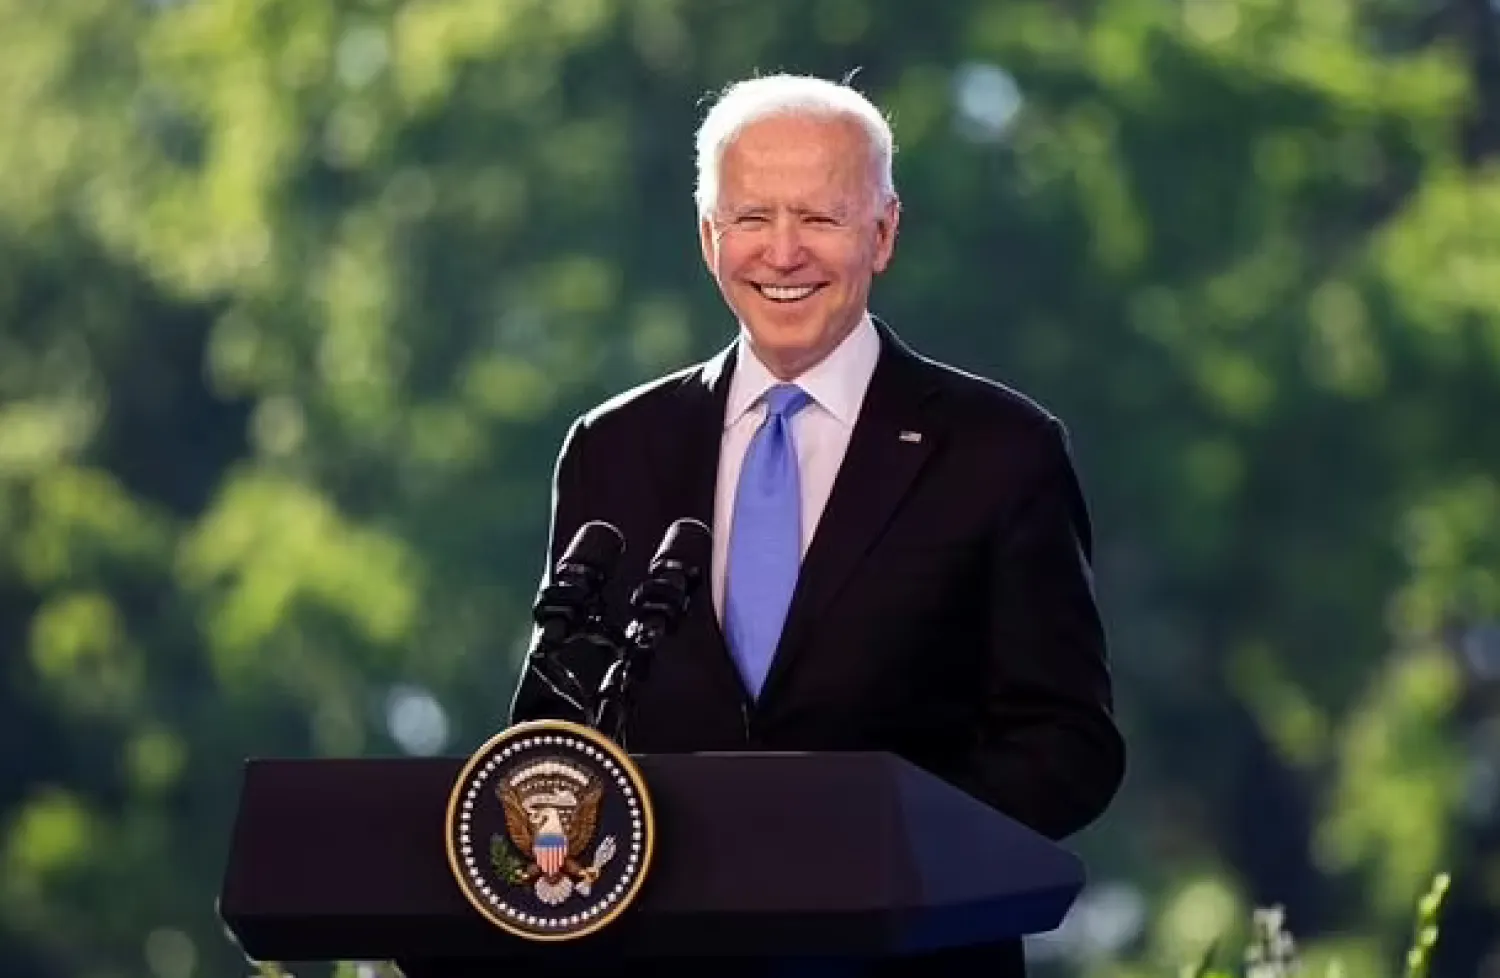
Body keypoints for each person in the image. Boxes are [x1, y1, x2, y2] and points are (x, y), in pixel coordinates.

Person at [509, 73, 1125, 976]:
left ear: (884, 234)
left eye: (821, 219)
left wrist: (875, 842)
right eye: (752, 219)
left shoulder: (1001, 451)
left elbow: (1068, 744)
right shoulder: (614, 448)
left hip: (908, 956)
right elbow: (554, 733)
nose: (783, 253)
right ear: (708, 237)